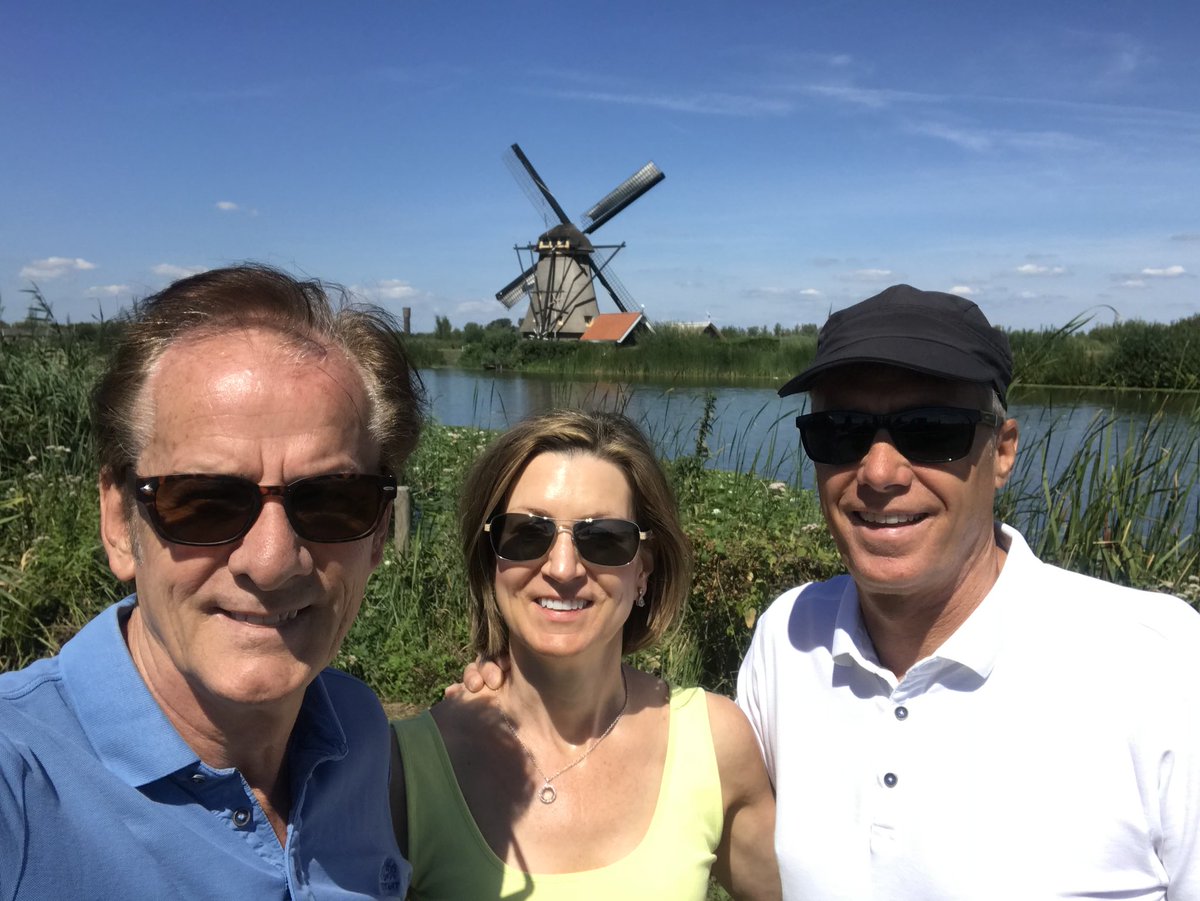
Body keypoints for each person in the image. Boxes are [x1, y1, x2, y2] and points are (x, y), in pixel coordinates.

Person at [737, 284, 1200, 899]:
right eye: (840, 431)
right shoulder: (786, 637)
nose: (879, 473)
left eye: (930, 430)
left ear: (1003, 451)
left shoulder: (1157, 663)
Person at [0, 265, 423, 898]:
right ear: (119, 521)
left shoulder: (357, 732)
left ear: (381, 533)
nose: (273, 560)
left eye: (335, 501)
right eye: (204, 502)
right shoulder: (21, 786)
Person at [393, 410, 780, 900]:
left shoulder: (715, 745)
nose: (562, 567)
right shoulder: (408, 770)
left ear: (644, 567)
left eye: (604, 539)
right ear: (492, 559)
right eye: (526, 533)